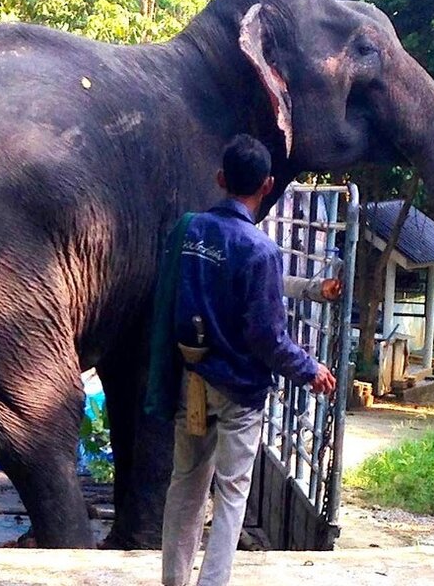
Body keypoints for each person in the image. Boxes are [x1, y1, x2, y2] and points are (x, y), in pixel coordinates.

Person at [157, 135, 335, 586]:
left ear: (220, 179)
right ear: (268, 184)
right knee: (231, 493)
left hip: (191, 379)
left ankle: (174, 582)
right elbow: (267, 337)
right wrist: (309, 369)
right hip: (239, 391)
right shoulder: (260, 250)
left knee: (185, 485)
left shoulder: (188, 232)